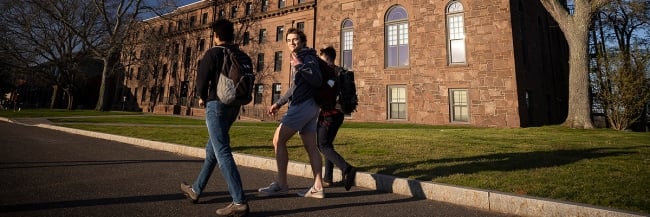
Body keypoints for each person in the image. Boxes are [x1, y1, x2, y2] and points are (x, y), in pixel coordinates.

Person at [180, 19, 249, 217]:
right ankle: (195, 190)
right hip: (233, 107)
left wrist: (202, 98)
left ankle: (239, 201)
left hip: (216, 105)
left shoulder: (213, 53)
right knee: (212, 149)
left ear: (216, 36)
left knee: (222, 151)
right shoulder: (241, 55)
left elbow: (201, 81)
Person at [258, 28, 325, 199]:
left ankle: (282, 185)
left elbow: (317, 79)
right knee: (311, 146)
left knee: (278, 140)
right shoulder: (300, 56)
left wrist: (299, 65)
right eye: (289, 40)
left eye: (295, 39)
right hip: (311, 107)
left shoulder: (306, 57)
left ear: (302, 41)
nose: (292, 43)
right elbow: (295, 87)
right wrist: (278, 103)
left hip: (302, 106)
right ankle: (318, 187)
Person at [317, 46, 356, 191]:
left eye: (322, 60)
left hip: (329, 114)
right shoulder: (341, 71)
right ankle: (328, 178)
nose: (320, 63)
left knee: (322, 145)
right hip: (340, 114)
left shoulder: (329, 72)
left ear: (327, 59)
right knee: (328, 144)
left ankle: (347, 169)